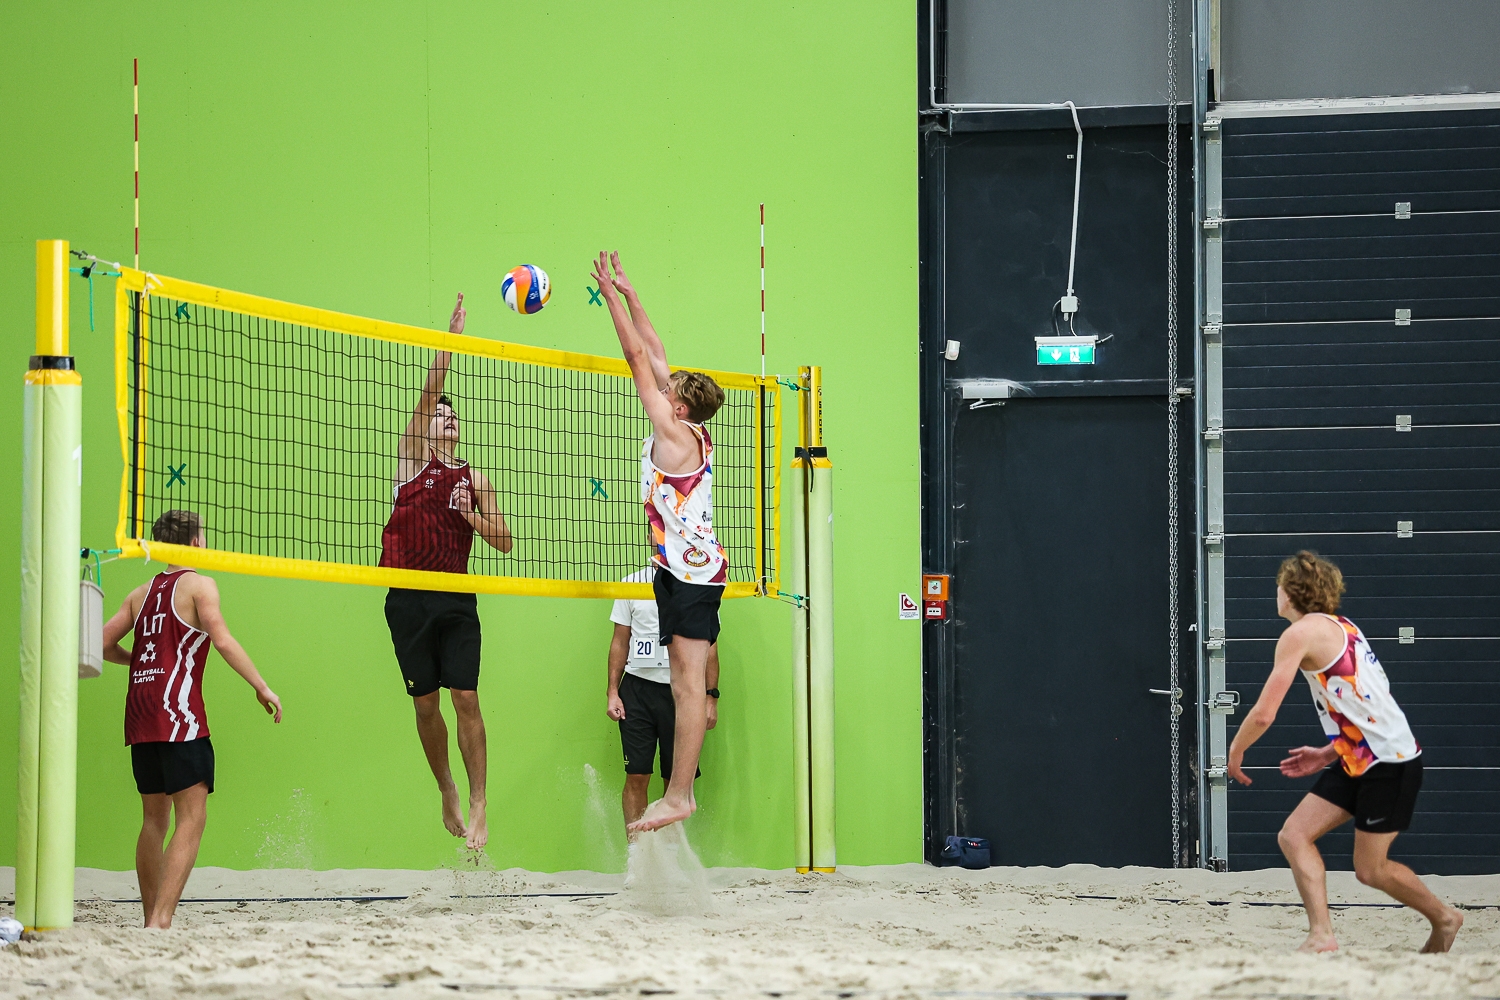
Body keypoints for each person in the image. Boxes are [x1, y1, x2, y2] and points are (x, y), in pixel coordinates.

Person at [1228, 550, 1464, 954]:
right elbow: (1366, 705)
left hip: (1389, 762)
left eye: (1278, 586)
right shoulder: (1343, 627)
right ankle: (1322, 935)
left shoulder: (1299, 635)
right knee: (1294, 835)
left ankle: (1445, 917)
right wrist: (1327, 753)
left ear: (1290, 592)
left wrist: (1235, 750)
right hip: (1359, 757)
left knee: (1371, 870)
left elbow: (1264, 714)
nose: (1276, 592)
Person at [592, 251, 727, 832]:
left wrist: (608, 299)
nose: (660, 382)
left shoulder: (673, 434)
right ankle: (677, 795)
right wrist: (631, 292)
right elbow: (654, 349)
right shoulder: (687, 426)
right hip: (678, 571)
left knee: (688, 685)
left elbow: (635, 358)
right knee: (680, 680)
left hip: (694, 574)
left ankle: (679, 795)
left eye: (667, 387)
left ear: (679, 405)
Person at [100, 509, 282, 929]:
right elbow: (223, 640)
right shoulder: (200, 585)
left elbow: (101, 643)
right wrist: (261, 686)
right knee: (192, 817)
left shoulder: (140, 593)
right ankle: (161, 921)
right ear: (197, 543)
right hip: (176, 710)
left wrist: (138, 664)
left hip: (140, 710)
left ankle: (150, 919)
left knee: (153, 820)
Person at [379, 292, 513, 851]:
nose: (447, 416)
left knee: (466, 699)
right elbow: (430, 389)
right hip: (407, 596)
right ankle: (446, 788)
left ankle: (480, 800)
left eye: (452, 414)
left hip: (456, 597)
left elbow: (505, 542)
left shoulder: (474, 478)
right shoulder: (412, 457)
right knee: (426, 705)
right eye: (440, 413)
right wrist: (450, 343)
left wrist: (471, 517)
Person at [606, 566, 721, 833]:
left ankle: (667, 851)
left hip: (681, 693)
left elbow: (711, 648)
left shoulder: (700, 584)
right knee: (637, 775)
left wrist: (711, 697)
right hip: (637, 690)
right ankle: (636, 851)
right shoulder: (631, 583)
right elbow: (620, 641)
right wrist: (612, 691)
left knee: (675, 780)